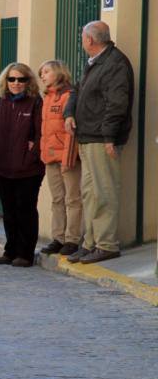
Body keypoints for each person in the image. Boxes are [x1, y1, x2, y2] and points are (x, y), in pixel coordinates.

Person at [65, 21, 134, 265]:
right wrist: (69, 113)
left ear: (90, 40)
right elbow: (76, 90)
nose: (82, 41)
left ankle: (106, 244)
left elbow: (117, 104)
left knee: (104, 192)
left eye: (83, 37)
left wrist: (109, 137)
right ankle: (90, 243)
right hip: (87, 135)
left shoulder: (114, 64)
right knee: (90, 194)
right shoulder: (95, 62)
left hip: (100, 137)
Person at [0, 62, 44, 267]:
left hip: (28, 169)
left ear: (28, 81)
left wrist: (30, 158)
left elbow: (40, 135)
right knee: (8, 210)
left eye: (21, 79)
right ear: (6, 81)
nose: (16, 83)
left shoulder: (36, 103)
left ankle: (25, 253)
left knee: (25, 209)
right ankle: (10, 250)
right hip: (2, 168)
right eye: (12, 79)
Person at [37, 60, 81, 257]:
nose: (43, 76)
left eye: (46, 71)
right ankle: (58, 237)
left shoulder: (68, 95)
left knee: (72, 198)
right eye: (41, 73)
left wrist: (67, 156)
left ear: (58, 72)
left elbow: (69, 130)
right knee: (57, 199)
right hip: (50, 155)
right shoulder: (47, 97)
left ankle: (72, 239)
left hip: (66, 156)